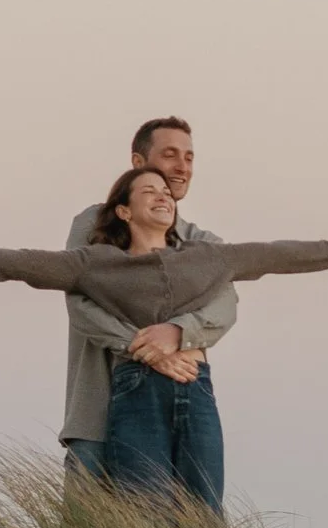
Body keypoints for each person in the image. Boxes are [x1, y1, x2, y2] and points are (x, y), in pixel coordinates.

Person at [0, 174, 328, 512]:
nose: (163, 196)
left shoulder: (209, 257)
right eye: (149, 190)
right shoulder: (96, 263)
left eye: (167, 193)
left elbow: (278, 255)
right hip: (134, 395)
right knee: (145, 517)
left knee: (204, 520)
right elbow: (12, 263)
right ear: (125, 211)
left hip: (196, 392)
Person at [59, 116, 232, 484]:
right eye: (169, 155)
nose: (181, 167)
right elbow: (81, 304)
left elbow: (224, 306)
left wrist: (178, 332)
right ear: (137, 163)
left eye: (189, 157)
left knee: (193, 515)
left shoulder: (203, 243)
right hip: (96, 412)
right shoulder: (94, 223)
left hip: (181, 408)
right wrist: (147, 350)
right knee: (88, 519)